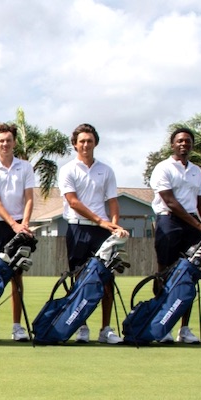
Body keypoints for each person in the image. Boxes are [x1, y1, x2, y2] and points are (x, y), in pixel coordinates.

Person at [148, 128, 201, 344]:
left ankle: (184, 329)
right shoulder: (163, 168)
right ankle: (161, 325)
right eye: (179, 141)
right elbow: (170, 201)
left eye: (187, 141)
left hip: (191, 224)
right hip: (168, 221)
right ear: (172, 145)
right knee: (165, 272)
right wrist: (199, 225)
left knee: (189, 275)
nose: (184, 144)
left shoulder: (196, 171)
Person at [58, 123, 129, 345]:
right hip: (78, 228)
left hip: (102, 232)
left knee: (106, 279)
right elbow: (73, 202)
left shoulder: (106, 170)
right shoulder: (68, 170)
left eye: (89, 141)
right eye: (82, 141)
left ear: (95, 143)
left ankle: (105, 329)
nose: (85, 145)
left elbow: (113, 202)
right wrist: (101, 221)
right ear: (75, 144)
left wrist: (114, 226)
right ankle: (81, 326)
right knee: (80, 279)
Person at [0, 123, 35, 342]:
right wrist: (14, 225)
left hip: (20, 226)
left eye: (8, 140)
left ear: (14, 142)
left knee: (16, 276)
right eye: (1, 141)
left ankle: (17, 327)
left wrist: (24, 224)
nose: (5, 144)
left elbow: (29, 198)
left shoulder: (25, 167)